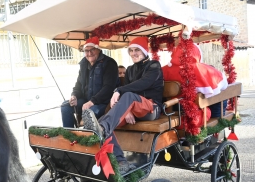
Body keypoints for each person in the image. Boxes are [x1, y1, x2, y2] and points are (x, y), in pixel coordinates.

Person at [82, 36, 164, 174]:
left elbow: (143, 84)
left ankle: (103, 129)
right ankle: (121, 160)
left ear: (144, 51)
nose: (133, 53)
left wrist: (119, 90)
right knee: (101, 121)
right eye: (131, 50)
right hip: (134, 108)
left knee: (125, 99)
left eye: (137, 50)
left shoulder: (154, 66)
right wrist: (128, 111)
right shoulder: (130, 69)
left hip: (151, 108)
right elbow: (128, 93)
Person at [61, 36, 119, 128]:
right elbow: (79, 84)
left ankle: (87, 140)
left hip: (104, 103)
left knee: (90, 113)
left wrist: (92, 101)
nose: (89, 53)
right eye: (86, 51)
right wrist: (74, 96)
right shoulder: (84, 63)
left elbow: (108, 88)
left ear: (98, 50)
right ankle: (69, 137)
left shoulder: (109, 63)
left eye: (92, 50)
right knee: (65, 106)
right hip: (86, 101)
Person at [162, 43, 228, 120]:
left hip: (171, 111)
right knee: (221, 95)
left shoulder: (163, 70)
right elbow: (223, 83)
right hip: (194, 112)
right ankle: (218, 119)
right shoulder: (200, 68)